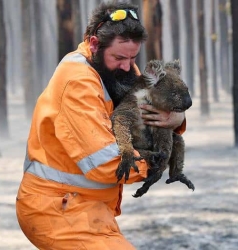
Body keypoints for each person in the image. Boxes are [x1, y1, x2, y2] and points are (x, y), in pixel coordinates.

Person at [16, 1, 186, 249]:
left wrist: (177, 120)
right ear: (95, 44)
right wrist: (158, 161)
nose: (129, 66)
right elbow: (106, 163)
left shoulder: (116, 68)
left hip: (88, 208)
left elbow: (152, 109)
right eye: (120, 57)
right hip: (57, 210)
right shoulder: (78, 83)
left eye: (133, 57)